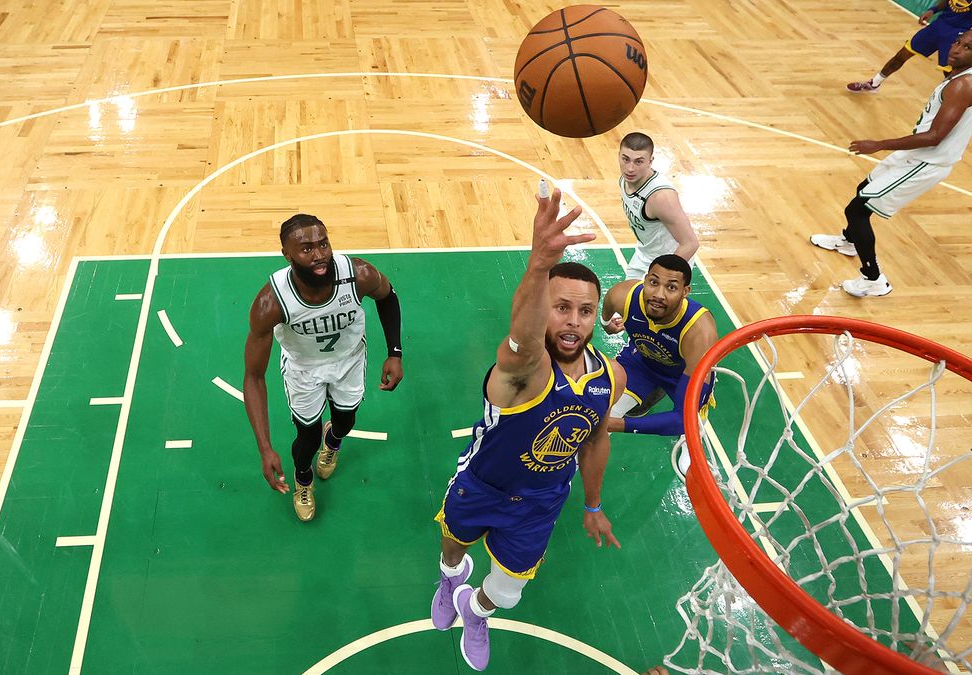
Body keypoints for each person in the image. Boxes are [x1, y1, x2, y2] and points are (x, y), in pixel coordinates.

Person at [430, 186, 626, 672]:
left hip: (541, 500)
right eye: (561, 307)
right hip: (481, 483)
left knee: (508, 592)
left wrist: (594, 503)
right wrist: (539, 265)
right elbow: (520, 340)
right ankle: (450, 578)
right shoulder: (524, 369)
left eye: (584, 312)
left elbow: (595, 438)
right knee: (454, 546)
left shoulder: (610, 376)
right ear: (544, 307)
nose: (573, 322)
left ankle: (474, 612)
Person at [244, 214, 404, 521]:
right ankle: (303, 480)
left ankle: (334, 440)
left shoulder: (357, 273)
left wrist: (394, 352)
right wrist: (265, 448)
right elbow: (253, 377)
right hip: (304, 369)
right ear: (287, 255)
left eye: (324, 243)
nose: (319, 254)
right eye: (306, 249)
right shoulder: (271, 302)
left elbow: (388, 296)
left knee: (345, 421)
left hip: (349, 360)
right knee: (307, 437)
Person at [812, 29, 972, 297]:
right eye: (957, 41)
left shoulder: (965, 84)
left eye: (966, 47)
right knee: (865, 187)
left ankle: (873, 279)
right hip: (917, 152)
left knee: (857, 210)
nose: (956, 49)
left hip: (927, 160)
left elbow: (934, 137)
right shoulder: (960, 75)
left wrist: (879, 144)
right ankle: (850, 242)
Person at [600, 254, 717, 474]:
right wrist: (607, 325)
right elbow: (606, 311)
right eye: (653, 283)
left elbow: (680, 419)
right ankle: (565, 470)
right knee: (602, 411)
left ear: (685, 292)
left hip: (681, 375)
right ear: (645, 280)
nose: (658, 294)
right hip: (641, 361)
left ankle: (691, 439)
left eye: (671, 288)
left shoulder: (699, 331)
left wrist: (616, 424)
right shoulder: (623, 295)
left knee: (689, 419)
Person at [847, 0, 972, 92]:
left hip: (961, 32)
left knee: (951, 74)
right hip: (939, 25)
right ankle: (874, 84)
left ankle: (948, 107)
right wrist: (933, 9)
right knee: (903, 54)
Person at [618, 132, 699, 281]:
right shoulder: (624, 181)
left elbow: (690, 244)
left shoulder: (661, 198)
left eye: (638, 162)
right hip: (645, 254)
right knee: (625, 301)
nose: (630, 168)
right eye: (625, 159)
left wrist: (661, 277)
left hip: (671, 262)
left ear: (650, 161)